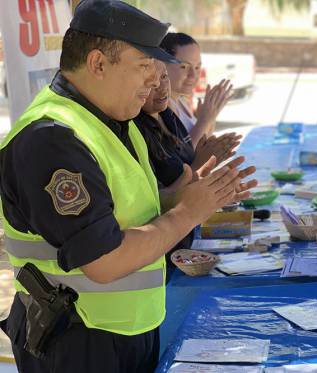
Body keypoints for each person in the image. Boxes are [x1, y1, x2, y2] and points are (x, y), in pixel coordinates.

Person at [0, 1, 256, 372]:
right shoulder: (52, 138)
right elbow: (105, 261)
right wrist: (188, 212)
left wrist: (194, 195)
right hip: (78, 340)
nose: (155, 79)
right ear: (98, 63)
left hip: (121, 331)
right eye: (143, 66)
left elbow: (131, 208)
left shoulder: (114, 120)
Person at [134, 60, 243, 187]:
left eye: (164, 77)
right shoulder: (137, 129)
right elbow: (162, 196)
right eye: (183, 66)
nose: (162, 88)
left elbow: (189, 157)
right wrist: (200, 164)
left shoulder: (167, 114)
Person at [160, 32, 231, 148]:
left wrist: (211, 115)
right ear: (162, 65)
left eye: (197, 67)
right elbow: (184, 155)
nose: (193, 75)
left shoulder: (181, 100)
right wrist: (205, 119)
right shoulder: (162, 107)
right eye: (184, 66)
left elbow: (203, 143)